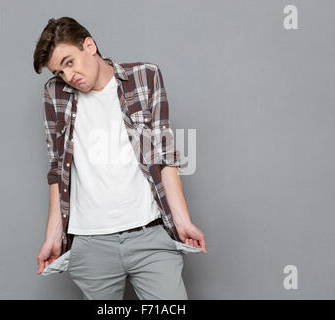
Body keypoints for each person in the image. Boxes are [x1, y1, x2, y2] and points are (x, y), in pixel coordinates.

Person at [33, 17, 207, 300]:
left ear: (89, 45)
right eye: (59, 72)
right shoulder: (55, 94)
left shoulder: (145, 77)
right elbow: (57, 168)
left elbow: (164, 155)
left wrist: (182, 220)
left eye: (69, 62)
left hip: (149, 234)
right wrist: (53, 236)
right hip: (90, 244)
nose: (68, 76)